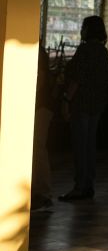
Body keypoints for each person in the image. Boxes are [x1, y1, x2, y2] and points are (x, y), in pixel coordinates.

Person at [59, 15, 108, 201]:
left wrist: (66, 100)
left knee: (80, 146)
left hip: (80, 104)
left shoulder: (85, 50)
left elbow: (77, 79)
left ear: (87, 30)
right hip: (97, 105)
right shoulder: (103, 52)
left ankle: (80, 186)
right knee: (89, 146)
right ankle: (88, 184)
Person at [31, 44, 55, 210]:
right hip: (42, 106)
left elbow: (39, 80)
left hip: (40, 106)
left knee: (38, 147)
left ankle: (43, 192)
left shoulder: (38, 54)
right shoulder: (40, 54)